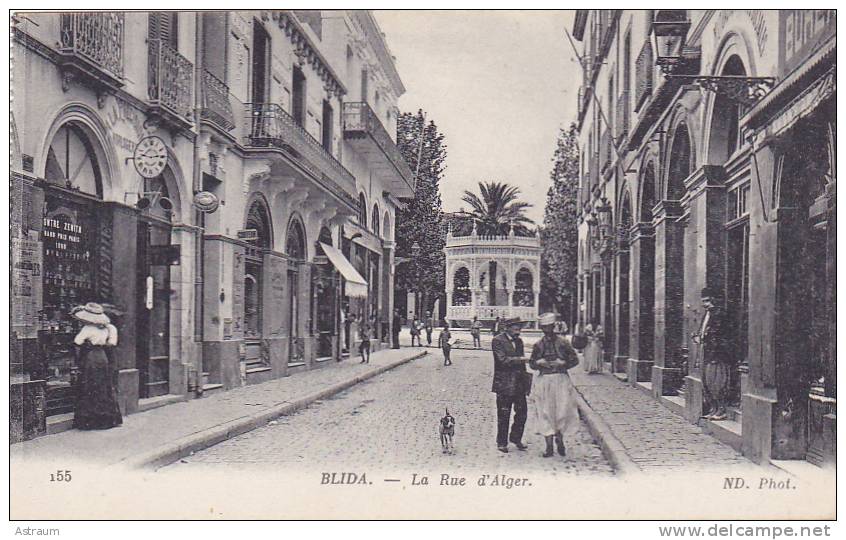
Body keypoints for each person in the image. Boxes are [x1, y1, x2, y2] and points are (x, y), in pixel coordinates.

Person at [529, 313, 580, 457]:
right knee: (545, 412)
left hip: (561, 380)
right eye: (544, 328)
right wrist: (539, 363)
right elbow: (532, 363)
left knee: (561, 411)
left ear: (554, 327)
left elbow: (575, 360)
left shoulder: (563, 343)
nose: (547, 331)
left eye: (549, 327)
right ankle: (549, 446)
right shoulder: (538, 345)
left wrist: (563, 363)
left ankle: (560, 438)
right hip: (544, 380)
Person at [71, 302, 122, 430]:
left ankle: (89, 420)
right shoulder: (105, 329)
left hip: (91, 357)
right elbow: (110, 343)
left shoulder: (87, 329)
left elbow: (77, 341)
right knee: (102, 386)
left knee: (89, 386)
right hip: (102, 356)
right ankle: (104, 419)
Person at [491, 317, 529, 453]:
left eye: (519, 327)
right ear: (507, 327)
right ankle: (502, 442)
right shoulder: (497, 340)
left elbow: (522, 366)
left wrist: (526, 383)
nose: (518, 330)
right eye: (515, 327)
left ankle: (516, 437)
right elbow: (502, 360)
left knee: (522, 412)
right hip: (504, 383)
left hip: (518, 383)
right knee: (503, 413)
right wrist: (521, 359)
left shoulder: (519, 341)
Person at [693, 287, 731, 421]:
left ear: (714, 300)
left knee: (717, 382)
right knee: (707, 382)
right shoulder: (707, 314)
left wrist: (715, 353)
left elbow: (720, 336)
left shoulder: (719, 314)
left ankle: (721, 409)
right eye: (703, 301)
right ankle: (713, 409)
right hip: (706, 351)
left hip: (716, 354)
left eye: (708, 300)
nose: (705, 304)